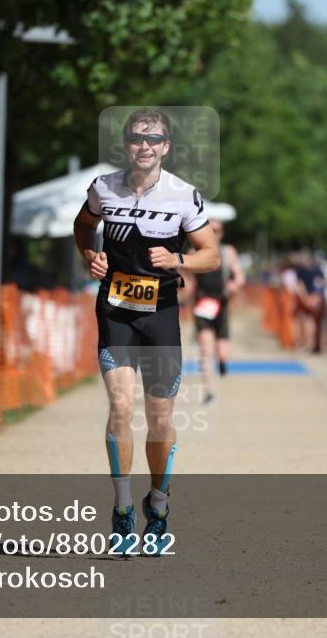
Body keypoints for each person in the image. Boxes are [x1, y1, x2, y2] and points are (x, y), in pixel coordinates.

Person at [72, 108, 219, 555]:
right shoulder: (103, 188)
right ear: (126, 144)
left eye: (154, 139)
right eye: (138, 138)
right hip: (115, 311)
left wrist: (178, 260)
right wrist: (90, 256)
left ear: (166, 146)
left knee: (159, 419)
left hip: (160, 315)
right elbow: (83, 225)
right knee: (120, 406)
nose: (145, 146)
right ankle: (121, 511)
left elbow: (211, 254)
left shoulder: (183, 195)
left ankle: (157, 504)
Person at [181, 219, 245, 405]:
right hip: (202, 305)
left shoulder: (228, 252)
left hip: (221, 305)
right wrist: (184, 296)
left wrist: (235, 285)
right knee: (205, 349)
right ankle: (209, 391)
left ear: (222, 234)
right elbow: (188, 280)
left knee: (222, 351)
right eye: (211, 230)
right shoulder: (194, 253)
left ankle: (222, 361)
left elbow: (239, 275)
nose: (214, 233)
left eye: (217, 230)